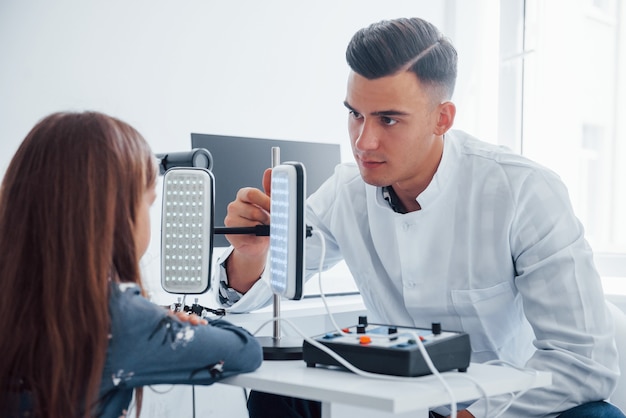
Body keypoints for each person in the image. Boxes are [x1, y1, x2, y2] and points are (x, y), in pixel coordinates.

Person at [215, 17, 624, 418]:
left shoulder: (524, 192)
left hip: (514, 408)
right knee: (274, 393)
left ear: (442, 118)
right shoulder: (346, 191)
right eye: (355, 114)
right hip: (410, 403)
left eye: (388, 119)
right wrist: (252, 254)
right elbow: (262, 294)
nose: (363, 141)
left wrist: (473, 415)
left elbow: (584, 365)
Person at [0, 111, 263, 418]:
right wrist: (162, 322)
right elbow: (244, 350)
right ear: (114, 216)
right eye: (148, 204)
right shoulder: (113, 317)